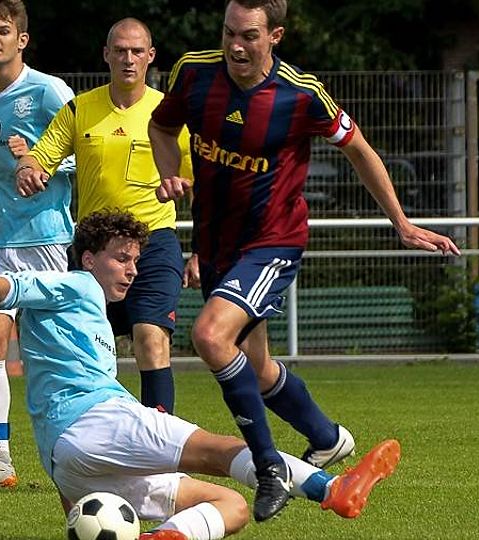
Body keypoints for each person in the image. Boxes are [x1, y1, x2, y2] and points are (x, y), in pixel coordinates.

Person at [148, 0, 461, 522]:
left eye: (249, 36)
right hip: (216, 244)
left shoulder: (302, 93)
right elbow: (161, 128)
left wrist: (402, 224)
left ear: (276, 36)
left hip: (272, 242)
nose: (235, 46)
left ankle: (269, 467)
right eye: (229, 33)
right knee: (256, 367)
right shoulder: (194, 72)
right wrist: (168, 172)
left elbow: (360, 149)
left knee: (210, 336)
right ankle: (326, 437)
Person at [0, 209, 402, 539]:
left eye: (136, 261)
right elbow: (18, 284)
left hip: (66, 463)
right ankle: (332, 488)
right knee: (226, 450)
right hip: (98, 420)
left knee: (230, 507)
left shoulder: (82, 307)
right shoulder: (77, 283)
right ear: (88, 259)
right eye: (121, 258)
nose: (132, 270)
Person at [14, 18, 191, 414]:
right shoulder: (80, 108)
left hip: (154, 241)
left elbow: (201, 182)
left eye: (137, 51)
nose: (128, 59)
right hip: (96, 249)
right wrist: (27, 169)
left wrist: (203, 249)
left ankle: (158, 436)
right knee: (85, 347)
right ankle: (92, 430)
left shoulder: (169, 114)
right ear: (106, 55)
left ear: (150, 56)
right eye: (120, 51)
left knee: (151, 337)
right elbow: (39, 156)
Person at [0, 0, 76, 488]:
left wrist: (43, 160)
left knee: (49, 350)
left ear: (22, 39)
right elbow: (0, 170)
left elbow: (86, 154)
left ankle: (75, 449)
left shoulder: (49, 91)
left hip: (45, 237)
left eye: (3, 31)